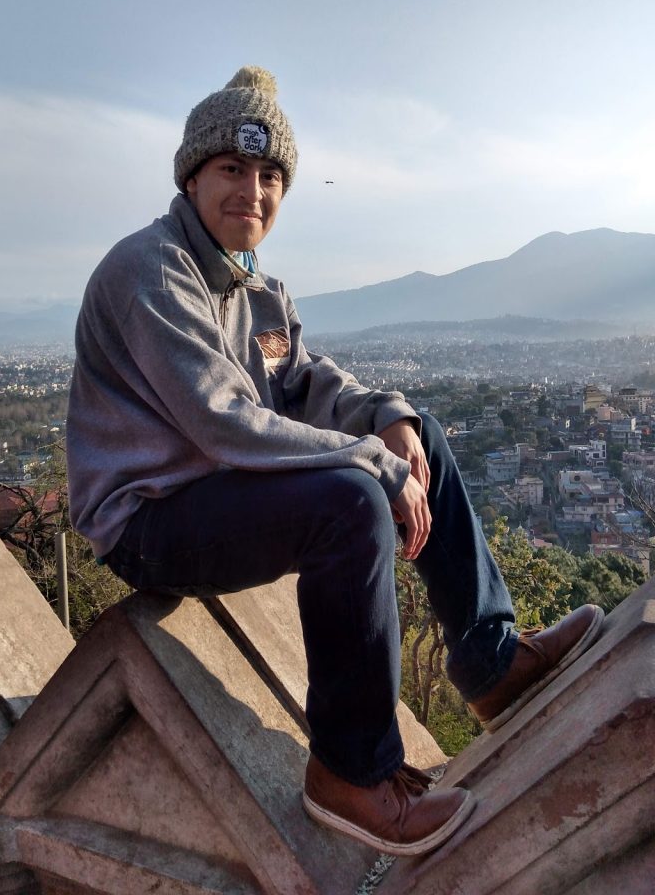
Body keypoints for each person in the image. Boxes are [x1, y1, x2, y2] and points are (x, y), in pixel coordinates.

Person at [66, 66, 604, 856]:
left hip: (224, 492)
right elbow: (229, 424)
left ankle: (491, 663)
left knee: (417, 436)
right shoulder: (150, 270)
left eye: (269, 175)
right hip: (149, 519)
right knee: (350, 500)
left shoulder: (256, 287)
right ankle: (351, 774)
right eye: (231, 170)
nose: (251, 191)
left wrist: (391, 423)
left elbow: (306, 382)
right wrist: (374, 468)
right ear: (191, 176)